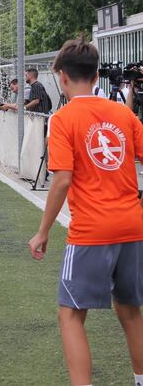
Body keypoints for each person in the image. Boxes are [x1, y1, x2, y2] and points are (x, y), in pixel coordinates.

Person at [28, 38, 143, 386]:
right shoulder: (122, 113)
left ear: (62, 77)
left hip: (92, 231)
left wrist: (43, 231)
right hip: (133, 227)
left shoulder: (62, 119)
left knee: (71, 315)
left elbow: (62, 180)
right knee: (130, 311)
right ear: (95, 76)